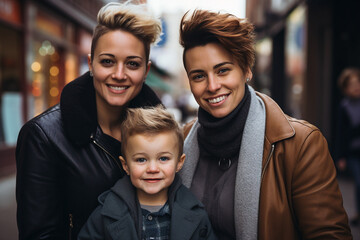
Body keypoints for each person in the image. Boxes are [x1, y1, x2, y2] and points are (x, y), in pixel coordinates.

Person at [178, 9, 352, 239]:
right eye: (199, 76)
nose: (212, 86)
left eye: (223, 70)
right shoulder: (181, 140)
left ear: (246, 69)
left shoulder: (301, 144)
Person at [15, 2, 163, 239]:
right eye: (107, 61)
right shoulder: (43, 136)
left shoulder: (161, 134)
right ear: (91, 63)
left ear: (146, 71)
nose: (119, 74)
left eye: (132, 64)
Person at [78, 106, 217, 240]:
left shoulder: (197, 214)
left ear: (179, 163)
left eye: (163, 158)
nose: (152, 169)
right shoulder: (105, 214)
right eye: (141, 159)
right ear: (125, 165)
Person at [335, 67, 360, 225]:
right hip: (353, 153)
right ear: (345, 88)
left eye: (358, 82)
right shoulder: (344, 107)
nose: (356, 86)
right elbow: (340, 134)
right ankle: (358, 212)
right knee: (359, 181)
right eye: (351, 84)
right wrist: (340, 157)